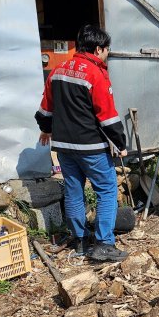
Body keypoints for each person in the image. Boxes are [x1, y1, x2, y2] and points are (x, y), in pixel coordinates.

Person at [35, 24, 128, 262]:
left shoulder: (57, 70)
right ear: (98, 49)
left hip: (64, 148)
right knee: (106, 191)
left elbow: (45, 109)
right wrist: (120, 142)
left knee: (74, 191)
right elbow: (107, 116)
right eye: (107, 50)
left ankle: (80, 240)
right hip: (91, 147)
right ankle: (104, 244)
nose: (107, 55)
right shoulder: (95, 73)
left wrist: (46, 130)